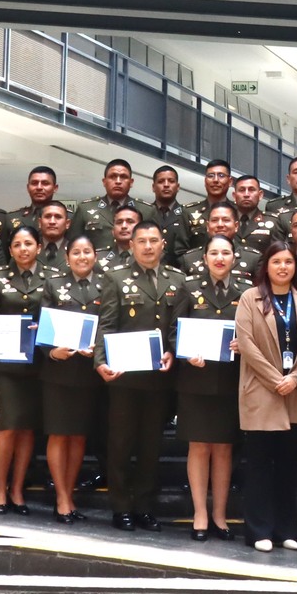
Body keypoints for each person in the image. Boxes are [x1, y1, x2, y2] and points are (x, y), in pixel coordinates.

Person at [236, 241, 297, 552]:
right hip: (262, 389)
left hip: (295, 391)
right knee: (259, 464)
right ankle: (258, 530)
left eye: (288, 261)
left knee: (287, 464)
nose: (283, 267)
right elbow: (246, 343)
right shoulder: (250, 298)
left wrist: (295, 379)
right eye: (276, 262)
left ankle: (286, 529)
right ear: (266, 266)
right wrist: (276, 380)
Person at [100, 222, 184, 531]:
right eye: (142, 241)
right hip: (124, 376)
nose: (148, 246)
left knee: (151, 446)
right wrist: (100, 361)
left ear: (163, 244)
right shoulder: (116, 278)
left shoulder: (177, 279)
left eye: (153, 240)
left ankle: (145, 507)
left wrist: (173, 351)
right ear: (132, 245)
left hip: (159, 378)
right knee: (121, 444)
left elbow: (178, 326)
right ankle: (121, 506)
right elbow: (107, 324)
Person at [36, 233, 118, 523]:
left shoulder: (107, 284)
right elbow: (43, 327)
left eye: (87, 252)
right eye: (76, 252)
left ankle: (70, 494)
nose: (82, 257)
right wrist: (52, 352)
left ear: (95, 255)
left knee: (79, 436)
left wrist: (100, 350)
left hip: (89, 374)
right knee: (59, 434)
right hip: (58, 373)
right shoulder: (53, 284)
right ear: (67, 256)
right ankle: (61, 498)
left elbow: (111, 323)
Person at [178, 235, 248, 540]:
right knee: (198, 446)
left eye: (225, 253)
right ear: (204, 258)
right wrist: (185, 352)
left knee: (223, 448)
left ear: (234, 257)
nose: (220, 258)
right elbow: (173, 329)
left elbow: (257, 332)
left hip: (231, 381)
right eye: (214, 253)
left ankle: (220, 515)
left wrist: (246, 344)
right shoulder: (189, 287)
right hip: (195, 380)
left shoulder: (246, 291)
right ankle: (200, 514)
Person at [0, 225, 54, 515]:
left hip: (39, 362)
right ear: (10, 249)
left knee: (28, 428)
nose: (23, 249)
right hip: (6, 363)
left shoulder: (52, 277)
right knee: (8, 426)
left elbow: (55, 314)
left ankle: (17, 489)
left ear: (39, 247)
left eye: (28, 244)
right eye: (17, 244)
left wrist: (45, 328)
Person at [73, 158, 146, 242]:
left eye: (123, 177)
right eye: (113, 177)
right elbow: (73, 242)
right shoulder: (85, 209)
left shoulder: (146, 210)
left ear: (131, 182)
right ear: (104, 182)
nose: (118, 181)